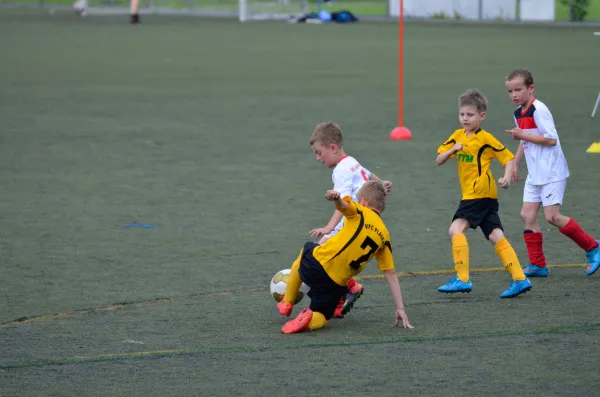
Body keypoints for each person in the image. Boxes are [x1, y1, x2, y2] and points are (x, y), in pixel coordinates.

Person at [276, 181, 413, 334]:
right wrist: (400, 308)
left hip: (316, 264)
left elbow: (343, 206)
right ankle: (310, 319)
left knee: (306, 249)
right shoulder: (385, 237)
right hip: (335, 284)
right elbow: (390, 274)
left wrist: (336, 198)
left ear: (363, 202)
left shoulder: (360, 211)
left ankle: (287, 301)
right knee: (322, 316)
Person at [436, 89, 533, 298]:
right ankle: (519, 278)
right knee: (495, 235)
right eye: (462, 114)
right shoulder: (457, 136)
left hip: (477, 194)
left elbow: (507, 158)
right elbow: (439, 159)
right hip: (486, 197)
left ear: (482, 116)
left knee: (455, 230)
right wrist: (453, 150)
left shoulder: (485, 138)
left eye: (470, 115)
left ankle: (462, 279)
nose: (465, 118)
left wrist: (507, 177)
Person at [505, 69, 600, 276]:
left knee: (552, 217)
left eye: (518, 90)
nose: (514, 95)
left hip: (551, 171)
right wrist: (515, 163)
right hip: (535, 173)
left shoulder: (539, 110)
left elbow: (551, 140)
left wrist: (522, 135)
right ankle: (538, 265)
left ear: (531, 89)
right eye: (510, 91)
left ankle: (593, 247)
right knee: (527, 214)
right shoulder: (517, 113)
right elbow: (525, 139)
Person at [308, 122, 392, 318]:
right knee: (331, 262)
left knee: (317, 261)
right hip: (361, 222)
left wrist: (329, 227)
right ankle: (343, 294)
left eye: (319, 152)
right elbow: (367, 173)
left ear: (333, 147)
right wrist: (380, 183)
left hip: (349, 224)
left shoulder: (341, 171)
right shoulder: (350, 161)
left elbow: (343, 200)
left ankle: (349, 289)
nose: (318, 158)